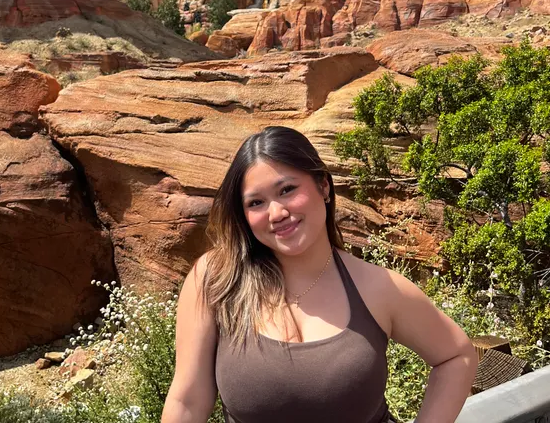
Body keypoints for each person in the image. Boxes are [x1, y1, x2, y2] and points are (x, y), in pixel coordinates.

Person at [162, 126, 478, 423]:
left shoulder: (378, 287)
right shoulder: (217, 279)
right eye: (256, 202)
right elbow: (188, 401)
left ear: (323, 186)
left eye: (287, 190)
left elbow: (456, 356)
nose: (276, 213)